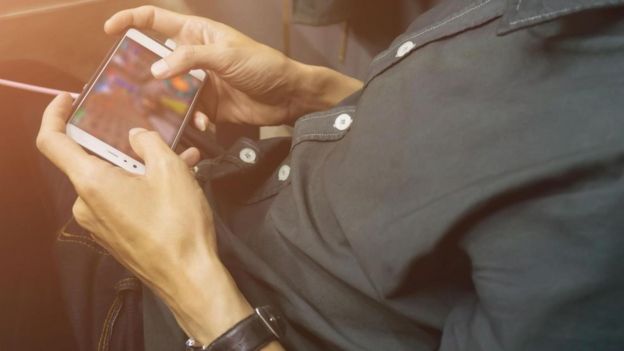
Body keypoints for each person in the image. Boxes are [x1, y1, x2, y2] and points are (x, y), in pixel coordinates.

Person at [36, 1, 624, 350]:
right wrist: (310, 91)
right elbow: (476, 156)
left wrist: (183, 277)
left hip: (161, 311)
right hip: (220, 208)